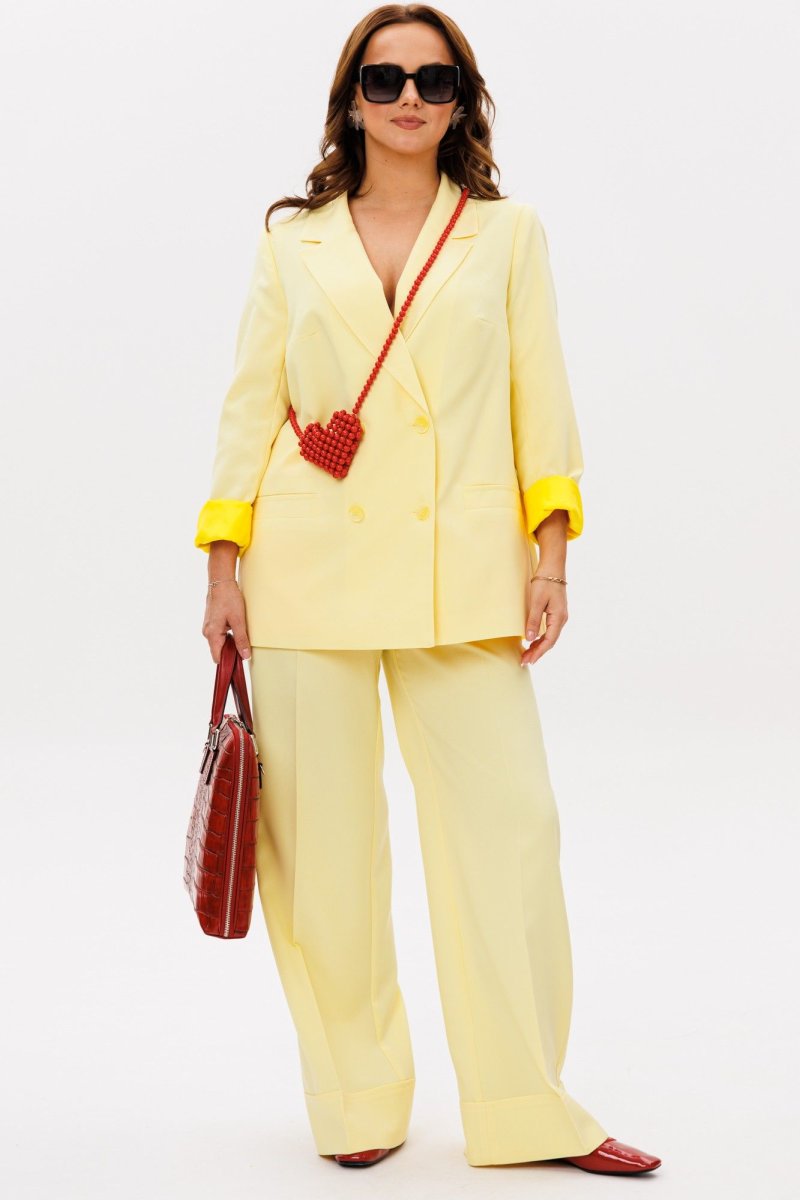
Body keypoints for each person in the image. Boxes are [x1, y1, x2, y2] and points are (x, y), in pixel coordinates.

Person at [194, 3, 662, 1177]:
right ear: (350, 99)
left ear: (462, 101)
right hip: (306, 565)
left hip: (462, 572)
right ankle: (356, 1099)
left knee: (509, 835)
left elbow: (539, 398)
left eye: (434, 79)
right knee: (321, 855)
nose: (409, 97)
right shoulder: (292, 243)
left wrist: (549, 556)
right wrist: (222, 566)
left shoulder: (505, 234)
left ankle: (525, 1108)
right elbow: (250, 408)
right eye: (385, 78)